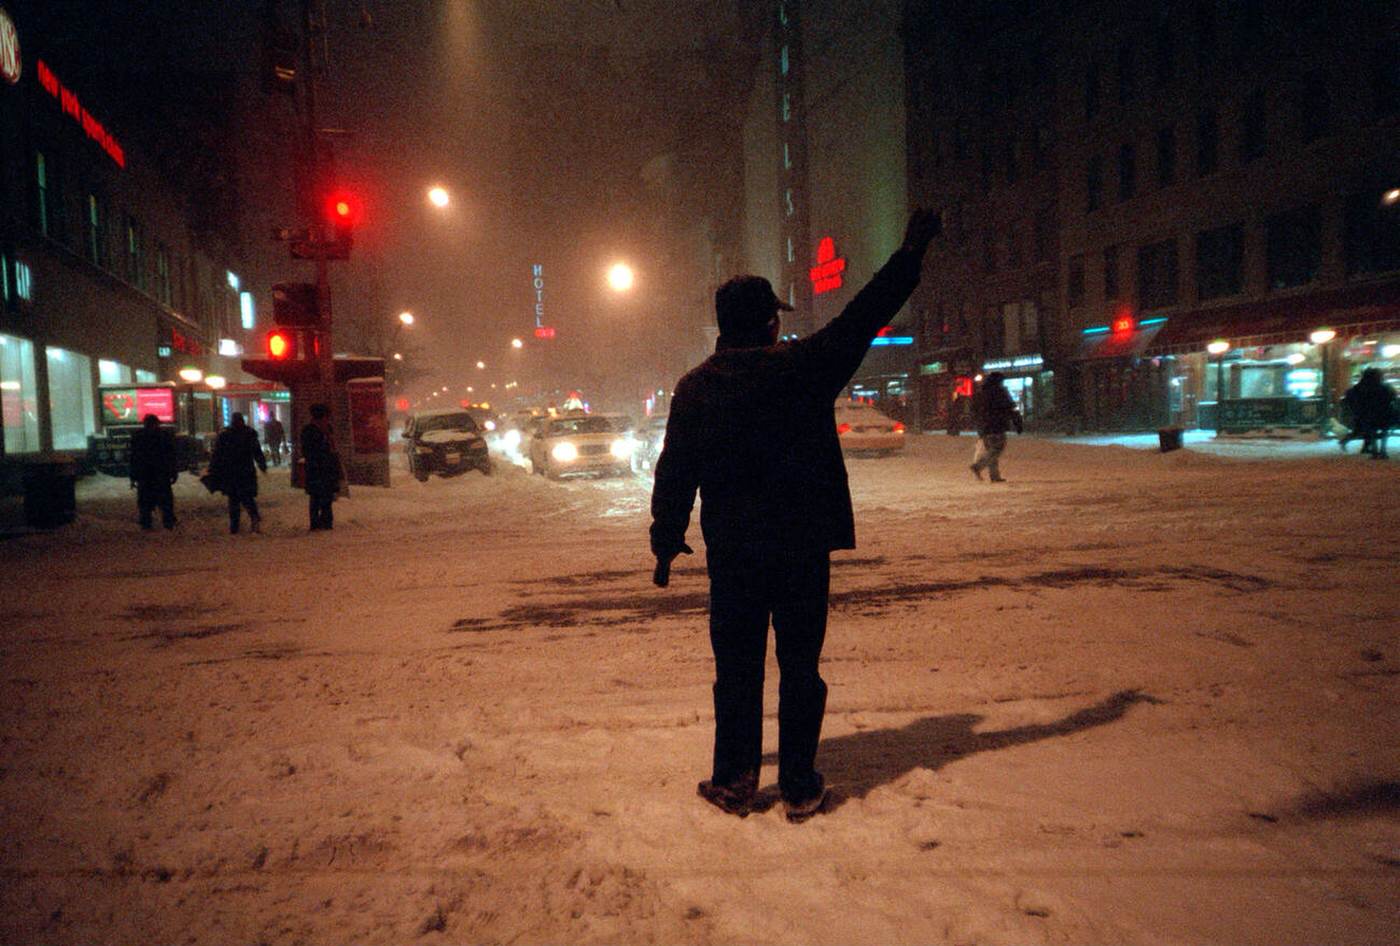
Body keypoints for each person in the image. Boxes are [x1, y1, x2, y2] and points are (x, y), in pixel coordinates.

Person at [650, 209, 942, 822]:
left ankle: (734, 780)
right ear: (766, 322)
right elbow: (866, 312)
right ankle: (801, 783)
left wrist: (666, 536)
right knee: (800, 668)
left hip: (734, 553)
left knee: (736, 671)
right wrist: (911, 249)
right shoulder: (804, 368)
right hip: (801, 547)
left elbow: (676, 468)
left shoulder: (696, 387)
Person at [209, 412, 267, 533]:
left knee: (234, 500)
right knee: (247, 498)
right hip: (245, 471)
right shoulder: (249, 434)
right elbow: (257, 451)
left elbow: (217, 454)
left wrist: (213, 468)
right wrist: (262, 464)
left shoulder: (226, 436)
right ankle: (253, 520)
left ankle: (235, 526)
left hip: (232, 472)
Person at [968, 372, 1023, 483]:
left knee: (991, 450)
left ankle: (995, 476)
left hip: (984, 426)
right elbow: (1010, 408)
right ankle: (978, 466)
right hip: (997, 424)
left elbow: (973, 410)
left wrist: (978, 423)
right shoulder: (1000, 393)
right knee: (997, 449)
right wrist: (1017, 422)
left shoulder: (980, 393)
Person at [128, 413, 178, 530]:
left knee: (145, 500)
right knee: (165, 499)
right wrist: (173, 472)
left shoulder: (138, 437)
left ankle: (146, 522)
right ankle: (168, 521)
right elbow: (171, 456)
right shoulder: (164, 436)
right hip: (161, 473)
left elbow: (134, 457)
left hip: (145, 474)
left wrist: (133, 475)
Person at [301, 403, 342, 530]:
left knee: (327, 497)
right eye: (326, 416)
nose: (327, 419)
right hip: (316, 468)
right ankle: (315, 523)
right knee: (316, 497)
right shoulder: (309, 431)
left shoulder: (328, 429)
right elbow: (308, 451)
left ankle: (326, 521)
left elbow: (333, 448)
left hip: (327, 469)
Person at [1341, 368, 1395, 460]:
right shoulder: (1384, 387)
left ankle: (1374, 450)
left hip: (1367, 413)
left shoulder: (1360, 387)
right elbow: (1392, 396)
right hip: (1384, 412)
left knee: (1371, 431)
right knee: (1384, 431)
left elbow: (1350, 396)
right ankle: (1383, 451)